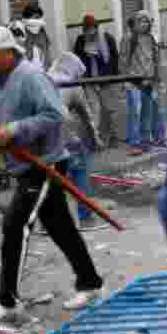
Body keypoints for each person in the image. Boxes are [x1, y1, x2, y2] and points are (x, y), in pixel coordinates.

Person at [0, 26, 104, 320]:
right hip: (22, 164)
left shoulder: (32, 76)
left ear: (9, 52)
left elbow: (56, 113)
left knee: (14, 224)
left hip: (45, 163)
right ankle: (90, 282)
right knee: (61, 228)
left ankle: (8, 300)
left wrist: (16, 129)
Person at [49, 53, 104, 231]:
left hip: (45, 139)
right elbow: (86, 114)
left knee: (53, 180)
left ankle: (49, 223)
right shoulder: (72, 85)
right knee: (80, 175)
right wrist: (95, 138)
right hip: (68, 137)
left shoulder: (42, 79)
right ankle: (86, 218)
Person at [73, 13, 121, 149]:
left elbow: (114, 60)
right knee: (94, 111)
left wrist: (114, 79)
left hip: (106, 80)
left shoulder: (107, 39)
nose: (90, 32)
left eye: (92, 28)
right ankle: (95, 140)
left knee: (111, 109)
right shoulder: (81, 41)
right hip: (89, 81)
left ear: (96, 27)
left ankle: (113, 137)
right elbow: (77, 61)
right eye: (87, 29)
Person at [121, 10, 165, 155]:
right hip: (134, 81)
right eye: (141, 21)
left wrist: (158, 79)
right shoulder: (128, 38)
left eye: (146, 21)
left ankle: (146, 141)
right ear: (135, 23)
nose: (144, 24)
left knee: (148, 112)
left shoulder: (151, 38)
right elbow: (123, 60)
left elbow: (156, 59)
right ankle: (134, 143)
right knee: (134, 114)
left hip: (150, 80)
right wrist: (125, 80)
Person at [20, 4, 52, 70]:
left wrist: (48, 67)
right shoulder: (21, 32)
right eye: (36, 17)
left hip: (42, 69)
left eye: (39, 17)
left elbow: (47, 52)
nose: (38, 21)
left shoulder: (42, 31)